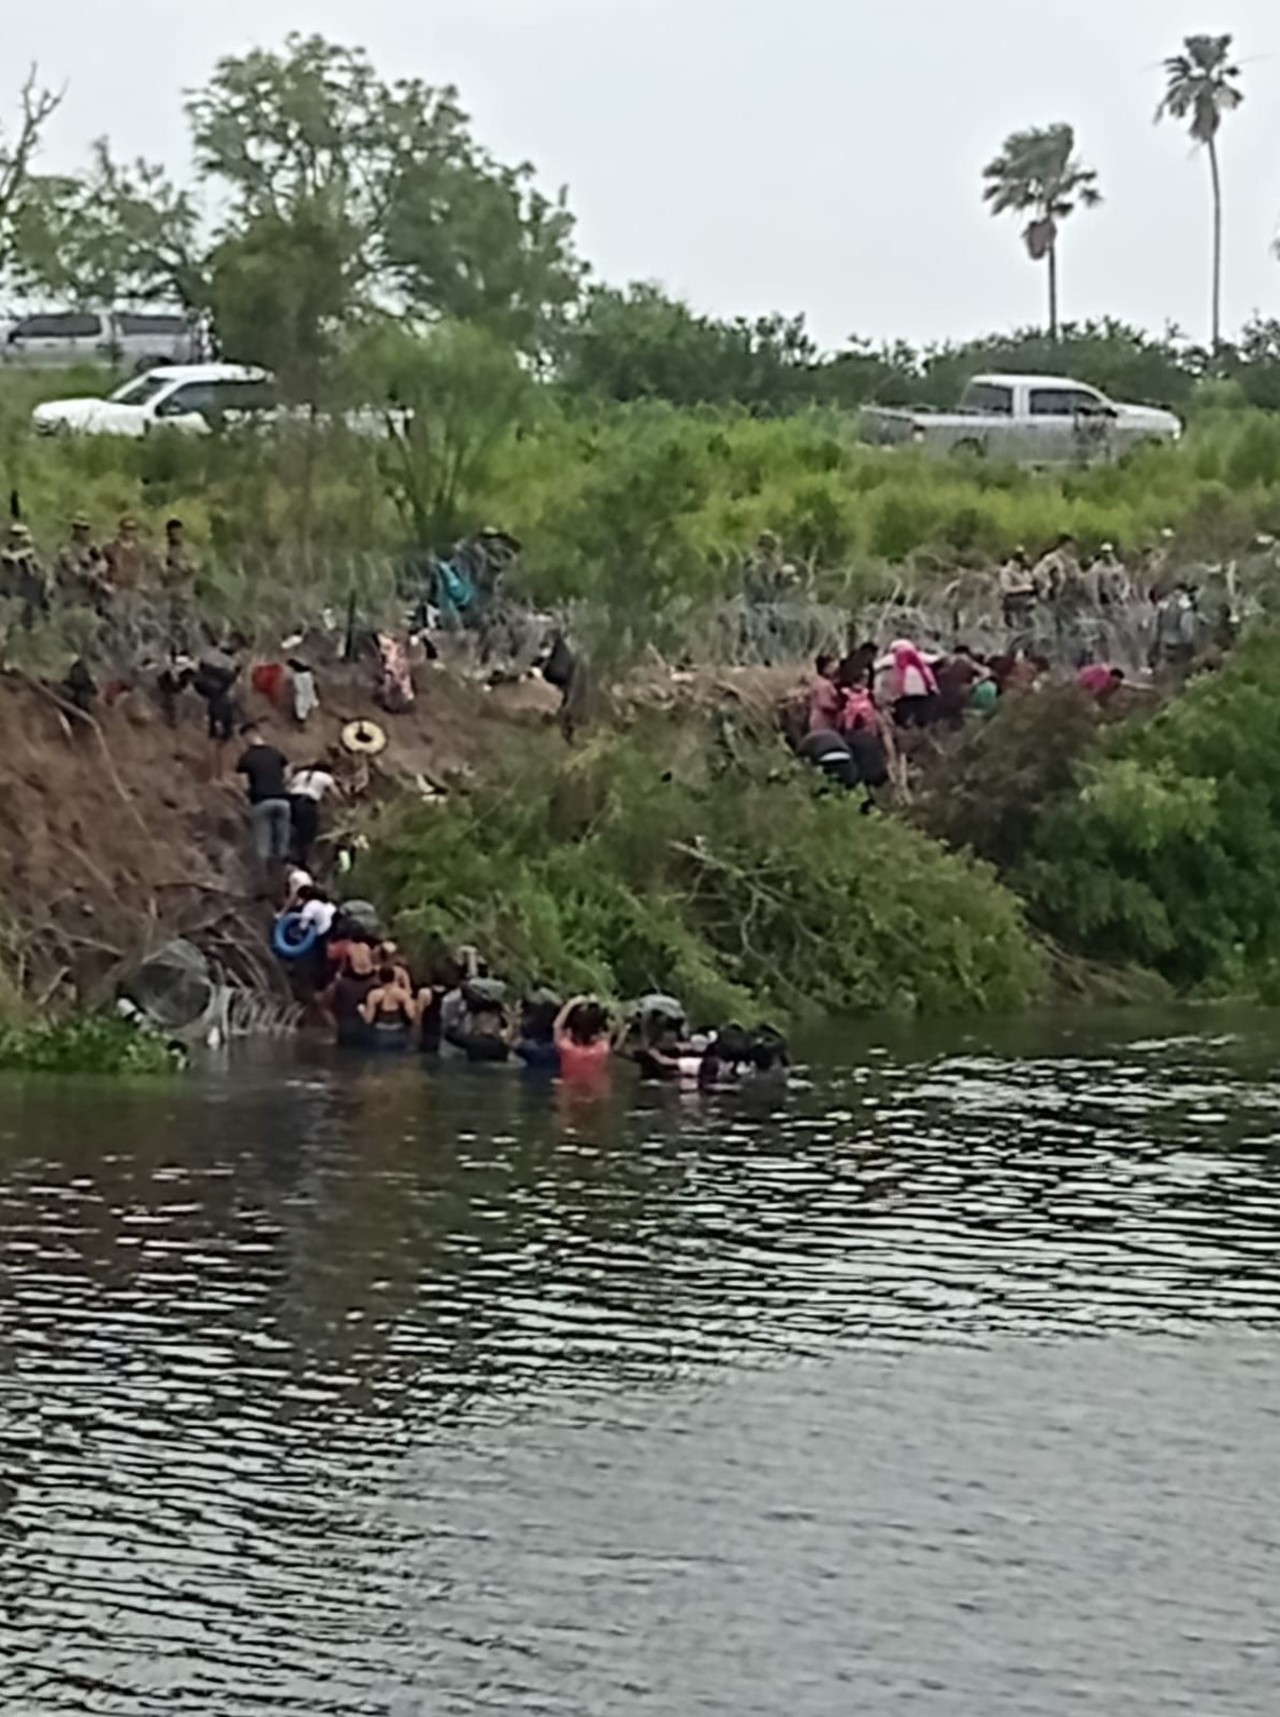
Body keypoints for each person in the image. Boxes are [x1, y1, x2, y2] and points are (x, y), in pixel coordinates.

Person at [235, 723, 292, 882]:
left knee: (263, 847)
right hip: (282, 801)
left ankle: (265, 882)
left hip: (261, 802)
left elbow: (244, 784)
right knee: (282, 845)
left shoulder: (246, 758)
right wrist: (281, 786)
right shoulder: (276, 753)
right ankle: (283, 881)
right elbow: (288, 773)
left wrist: (248, 796)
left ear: (247, 736)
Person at [287, 758, 338, 869]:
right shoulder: (326, 777)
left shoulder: (301, 774)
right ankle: (301, 861)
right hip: (307, 804)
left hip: (291, 802)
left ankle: (286, 852)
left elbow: (289, 787)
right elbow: (335, 793)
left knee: (292, 827)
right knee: (308, 832)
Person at [0, 522, 50, 630]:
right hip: (9, 590)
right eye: (15, 534)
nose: (16, 538)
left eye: (19, 535)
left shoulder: (31, 552)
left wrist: (29, 558)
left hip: (28, 591)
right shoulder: (7, 550)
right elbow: (10, 557)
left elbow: (41, 571)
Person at [553, 996, 613, 1083]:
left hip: (569, 1086)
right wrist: (597, 1006)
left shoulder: (566, 1047)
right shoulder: (603, 1048)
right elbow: (609, 1029)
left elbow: (557, 1026)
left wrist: (572, 1003)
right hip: (597, 1087)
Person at [882, 638, 939, 729]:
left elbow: (878, 664)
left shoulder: (892, 658)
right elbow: (935, 659)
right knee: (922, 719)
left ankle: (905, 729)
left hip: (903, 694)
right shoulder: (920, 657)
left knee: (904, 720)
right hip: (923, 692)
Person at [360, 962, 420, 1047]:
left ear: (379, 978)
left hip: (380, 1034)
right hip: (398, 1033)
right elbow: (412, 1015)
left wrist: (362, 1010)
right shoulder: (402, 994)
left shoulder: (373, 995)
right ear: (394, 977)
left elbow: (368, 1020)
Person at [55, 515, 109, 605]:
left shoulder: (91, 546)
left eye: (86, 528)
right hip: (71, 594)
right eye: (81, 528)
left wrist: (97, 570)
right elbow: (75, 569)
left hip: (89, 594)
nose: (84, 532)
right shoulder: (66, 547)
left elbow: (103, 564)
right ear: (75, 530)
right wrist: (93, 573)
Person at [104, 515, 157, 593]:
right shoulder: (110, 548)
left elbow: (153, 568)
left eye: (133, 529)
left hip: (136, 590)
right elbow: (100, 567)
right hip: (116, 590)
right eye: (127, 528)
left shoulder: (143, 549)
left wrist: (146, 582)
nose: (129, 532)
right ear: (121, 529)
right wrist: (106, 584)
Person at [998, 547, 1037, 631]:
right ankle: (1019, 624)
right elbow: (1006, 589)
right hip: (1010, 598)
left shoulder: (1024, 571)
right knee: (1021, 602)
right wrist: (1024, 588)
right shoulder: (1006, 572)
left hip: (1026, 596)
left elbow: (1030, 582)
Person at [807, 654, 845, 736]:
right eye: (831, 667)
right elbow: (825, 703)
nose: (834, 670)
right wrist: (839, 706)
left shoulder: (821, 682)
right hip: (822, 721)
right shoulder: (823, 684)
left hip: (825, 720)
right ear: (825, 669)